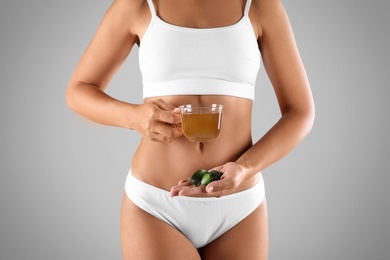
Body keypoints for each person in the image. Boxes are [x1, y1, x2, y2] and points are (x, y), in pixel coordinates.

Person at [66, 0, 315, 258]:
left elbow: (301, 111)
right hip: (157, 206)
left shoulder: (261, 6)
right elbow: (79, 90)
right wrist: (133, 117)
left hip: (239, 207)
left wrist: (245, 167)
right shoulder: (139, 4)